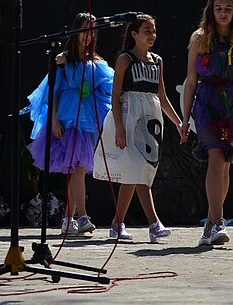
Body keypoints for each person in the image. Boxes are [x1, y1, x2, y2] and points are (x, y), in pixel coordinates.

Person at [93, 13, 184, 243]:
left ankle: (118, 224)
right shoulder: (125, 59)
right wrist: (120, 128)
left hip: (150, 120)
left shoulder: (158, 61)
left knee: (141, 170)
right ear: (134, 34)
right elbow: (115, 96)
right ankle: (153, 223)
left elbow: (162, 96)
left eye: (153, 31)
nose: (152, 35)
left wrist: (179, 122)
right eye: (147, 31)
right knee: (136, 168)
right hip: (129, 116)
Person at [181, 0, 233, 247]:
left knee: (225, 161)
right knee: (215, 156)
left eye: (228, 8)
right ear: (211, 11)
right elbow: (191, 81)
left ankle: (209, 224)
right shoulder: (199, 39)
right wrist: (184, 119)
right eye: (219, 8)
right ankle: (218, 222)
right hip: (206, 101)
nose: (223, 13)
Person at [27, 12, 114, 235]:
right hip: (69, 117)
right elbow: (52, 91)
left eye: (92, 31)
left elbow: (107, 90)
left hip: (89, 119)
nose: (88, 35)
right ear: (75, 31)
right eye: (84, 30)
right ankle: (82, 216)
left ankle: (68, 219)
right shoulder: (63, 60)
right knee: (79, 167)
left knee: (79, 169)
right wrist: (54, 118)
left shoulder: (98, 63)